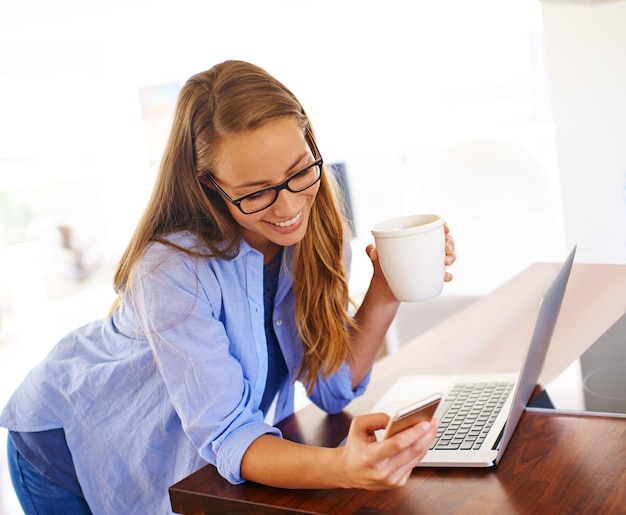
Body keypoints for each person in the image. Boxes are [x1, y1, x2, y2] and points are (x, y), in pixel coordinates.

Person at [1, 60, 456, 514]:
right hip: (68, 443)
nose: (290, 205)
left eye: (301, 171)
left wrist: (388, 286)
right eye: (256, 192)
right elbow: (229, 434)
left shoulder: (315, 235)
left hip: (182, 452)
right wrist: (342, 467)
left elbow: (331, 388)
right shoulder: (172, 270)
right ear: (209, 185)